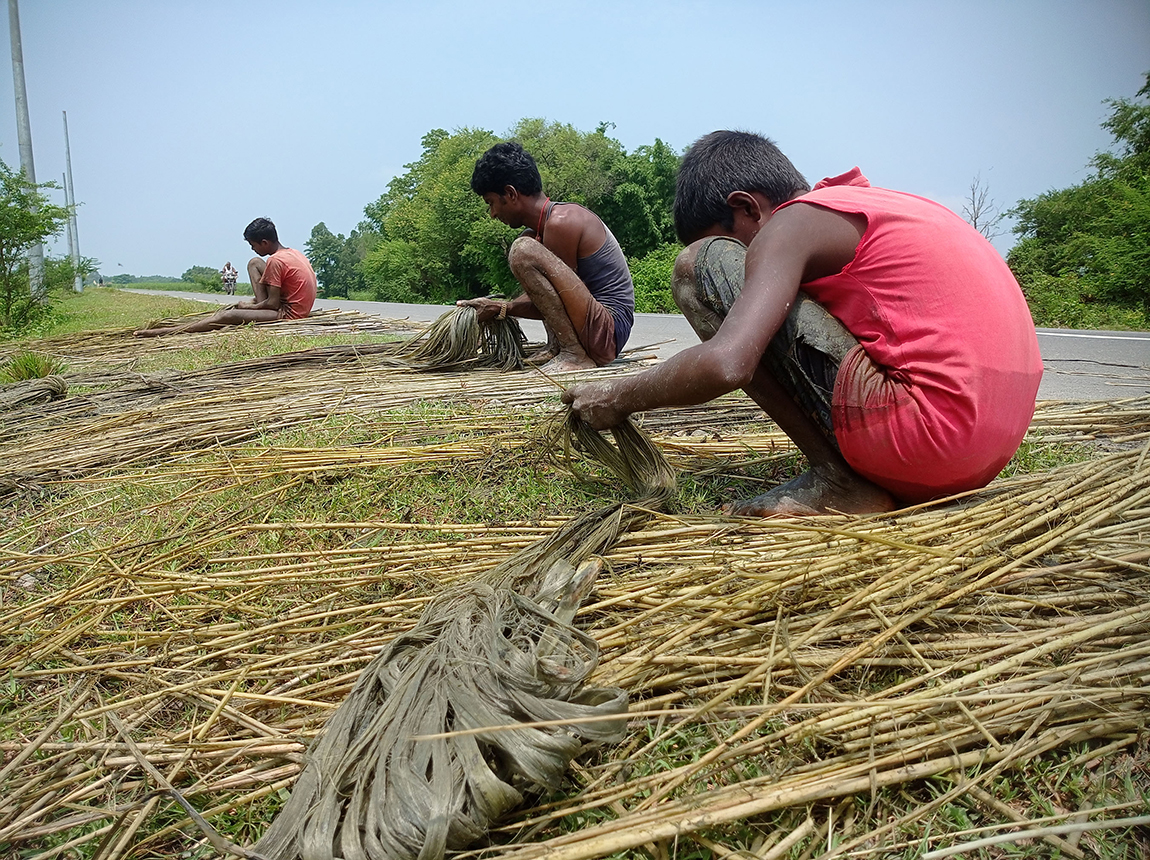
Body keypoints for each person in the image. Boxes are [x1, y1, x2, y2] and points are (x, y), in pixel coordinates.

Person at [563, 131, 1044, 516]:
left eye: (739, 244)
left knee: (699, 264)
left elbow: (728, 363)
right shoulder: (879, 205)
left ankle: (838, 481)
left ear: (748, 207)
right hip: (989, 450)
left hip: (926, 439)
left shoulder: (792, 224)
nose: (748, 261)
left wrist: (616, 396)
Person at [457, 142, 635, 372]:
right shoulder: (539, 233)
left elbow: (559, 301)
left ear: (510, 194)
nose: (492, 214)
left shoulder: (562, 222)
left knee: (522, 250)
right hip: (595, 327)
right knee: (526, 244)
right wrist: (499, 308)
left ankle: (574, 354)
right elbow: (547, 298)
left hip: (608, 331)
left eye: (491, 203)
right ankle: (559, 347)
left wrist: (503, 307)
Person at [135, 218, 316, 337]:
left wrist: (247, 306)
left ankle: (168, 331)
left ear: (264, 243)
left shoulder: (276, 261)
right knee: (254, 262)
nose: (253, 249)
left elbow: (273, 305)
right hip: (295, 306)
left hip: (288, 315)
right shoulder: (292, 253)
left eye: (253, 245)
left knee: (227, 315)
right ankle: (257, 309)